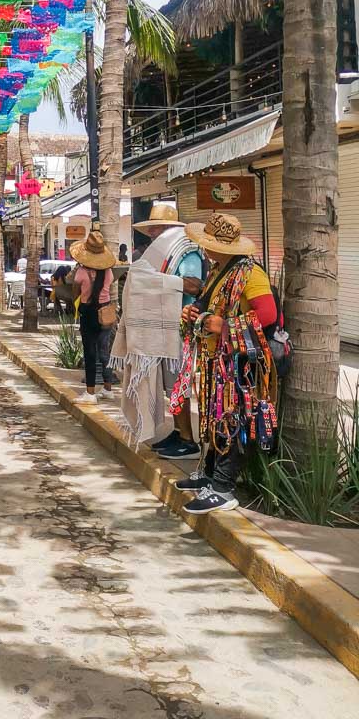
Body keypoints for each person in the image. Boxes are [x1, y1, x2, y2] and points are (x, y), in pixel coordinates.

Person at [173, 213, 278, 515]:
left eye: (207, 243)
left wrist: (222, 325)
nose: (203, 248)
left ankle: (223, 487)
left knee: (232, 420)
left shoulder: (250, 273)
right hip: (216, 362)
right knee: (214, 417)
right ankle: (209, 475)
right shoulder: (219, 270)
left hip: (238, 366)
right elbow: (208, 306)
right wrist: (195, 314)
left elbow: (267, 315)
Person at [110, 202, 204, 453]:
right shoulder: (163, 254)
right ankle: (178, 432)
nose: (152, 234)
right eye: (151, 229)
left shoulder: (187, 252)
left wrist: (153, 281)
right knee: (169, 385)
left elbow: (195, 286)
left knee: (177, 385)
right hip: (164, 328)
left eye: (157, 228)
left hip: (180, 327)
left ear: (170, 229)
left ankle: (187, 440)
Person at [70, 230, 117, 403]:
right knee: (104, 352)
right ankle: (108, 388)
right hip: (105, 312)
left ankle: (90, 393)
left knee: (89, 352)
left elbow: (75, 291)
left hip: (88, 312)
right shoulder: (108, 272)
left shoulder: (81, 272)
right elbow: (108, 286)